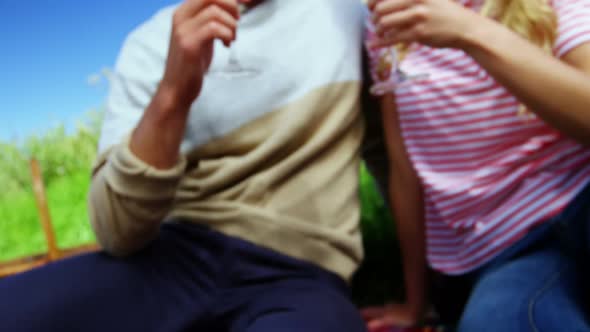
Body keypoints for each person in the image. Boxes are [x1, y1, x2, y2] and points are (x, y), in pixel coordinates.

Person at [0, 1, 371, 331]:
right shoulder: (149, 43)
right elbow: (116, 232)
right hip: (172, 258)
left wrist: (416, 298)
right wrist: (173, 95)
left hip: (301, 271)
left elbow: (399, 149)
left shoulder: (346, 14)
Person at [359, 0, 590, 330]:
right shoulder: (390, 18)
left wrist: (469, 31)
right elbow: (404, 167)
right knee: (497, 322)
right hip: (508, 248)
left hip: (582, 196)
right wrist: (416, 303)